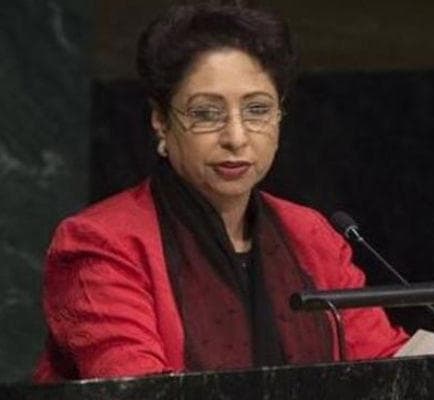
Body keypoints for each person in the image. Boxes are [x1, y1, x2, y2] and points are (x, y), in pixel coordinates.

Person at [33, 3, 408, 382]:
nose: (236, 137)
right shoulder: (102, 243)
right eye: (206, 113)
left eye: (257, 110)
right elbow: (138, 388)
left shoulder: (310, 234)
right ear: (160, 120)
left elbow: (384, 365)